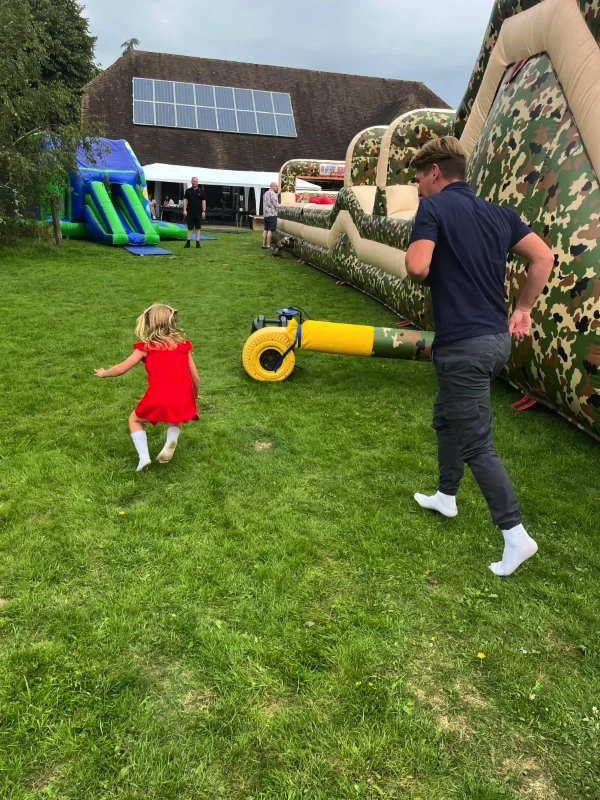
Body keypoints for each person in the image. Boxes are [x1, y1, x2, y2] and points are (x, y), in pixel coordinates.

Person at [404, 136, 554, 577]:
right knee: (445, 417)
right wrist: (522, 309)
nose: (416, 187)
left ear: (435, 172)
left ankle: (515, 536)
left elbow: (416, 267)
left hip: (463, 346)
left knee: (477, 443)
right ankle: (446, 497)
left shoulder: (433, 209)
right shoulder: (499, 214)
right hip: (493, 341)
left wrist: (418, 265)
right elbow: (543, 257)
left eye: (417, 178)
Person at [94, 304, 200, 471]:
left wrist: (104, 373)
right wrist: (194, 395)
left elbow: (121, 368)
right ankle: (171, 439)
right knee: (175, 416)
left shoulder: (146, 348)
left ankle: (144, 458)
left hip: (157, 394)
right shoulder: (183, 347)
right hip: (182, 394)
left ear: (150, 324)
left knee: (135, 420)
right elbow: (195, 377)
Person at [183, 177, 206, 249]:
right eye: (193, 181)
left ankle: (197, 243)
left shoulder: (201, 191)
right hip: (190, 212)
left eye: (195, 181)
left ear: (197, 182)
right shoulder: (188, 191)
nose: (194, 183)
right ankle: (188, 242)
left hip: (198, 212)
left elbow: (203, 201)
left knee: (198, 228)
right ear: (191, 182)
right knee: (190, 228)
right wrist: (184, 210)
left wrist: (204, 211)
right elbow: (184, 200)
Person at [262, 182, 279, 250]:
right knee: (270, 230)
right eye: (276, 186)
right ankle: (268, 246)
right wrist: (283, 205)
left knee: (265, 229)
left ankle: (263, 245)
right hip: (272, 214)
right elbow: (276, 205)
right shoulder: (273, 194)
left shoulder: (265, 193)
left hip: (266, 214)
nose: (277, 188)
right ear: (272, 186)